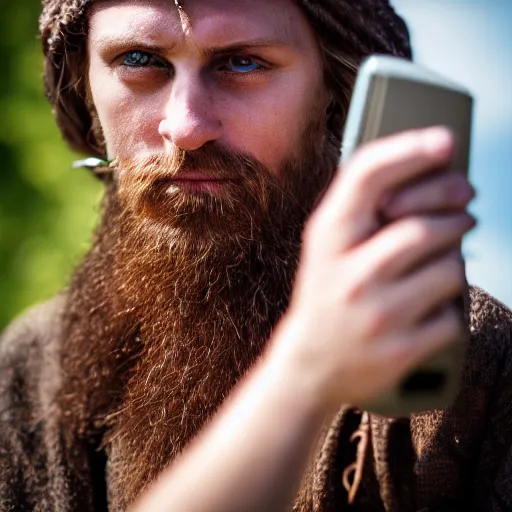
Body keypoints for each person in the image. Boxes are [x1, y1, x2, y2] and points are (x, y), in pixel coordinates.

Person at [1, 0, 511, 511]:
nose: (186, 126)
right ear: (86, 91)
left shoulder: (488, 370)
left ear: (334, 96)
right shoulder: (25, 373)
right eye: (138, 60)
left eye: (242, 62)